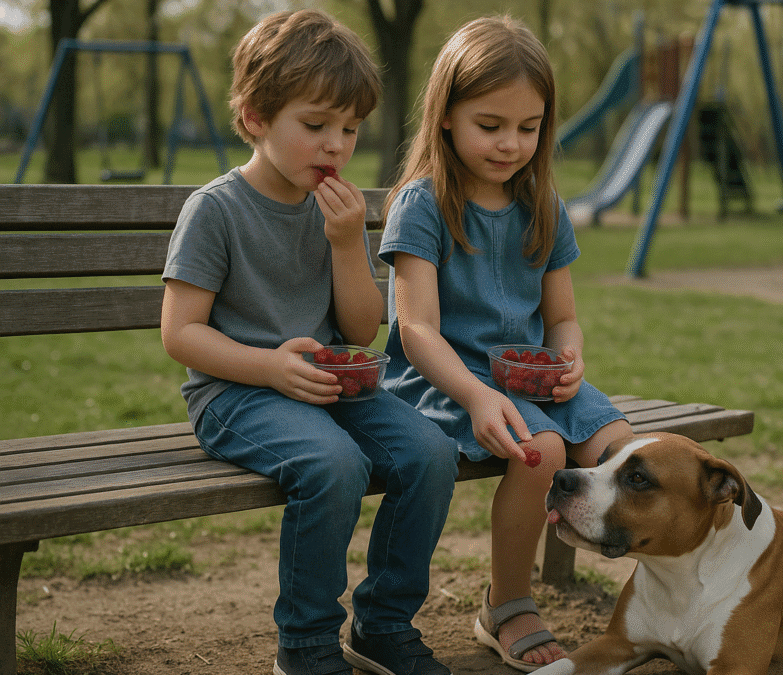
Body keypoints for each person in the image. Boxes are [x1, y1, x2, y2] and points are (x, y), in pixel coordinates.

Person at [159, 10, 458, 675]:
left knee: (432, 452)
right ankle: (306, 642)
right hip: (235, 391)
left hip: (328, 383)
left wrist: (349, 245)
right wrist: (269, 366)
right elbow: (180, 333)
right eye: (316, 125)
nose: (336, 146)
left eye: (350, 129)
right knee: (333, 464)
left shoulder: (335, 209)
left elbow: (358, 330)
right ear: (256, 116)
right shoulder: (216, 209)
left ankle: (383, 622)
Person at [378, 15, 633, 672]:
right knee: (540, 449)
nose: (511, 143)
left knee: (628, 452)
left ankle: (664, 603)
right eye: (490, 126)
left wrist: (572, 360)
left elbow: (564, 318)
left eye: (529, 127)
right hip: (444, 378)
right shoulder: (423, 203)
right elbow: (417, 330)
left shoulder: (541, 200)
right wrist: (476, 393)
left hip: (531, 377)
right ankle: (508, 603)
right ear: (445, 116)